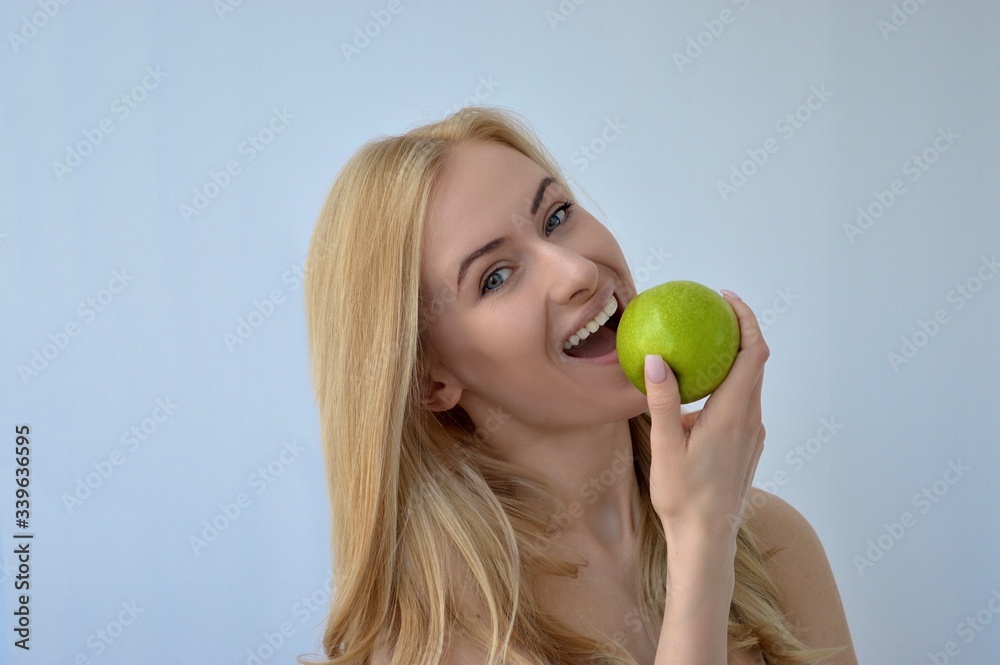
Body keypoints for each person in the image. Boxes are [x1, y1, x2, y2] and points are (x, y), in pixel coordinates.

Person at [301, 106, 858, 665]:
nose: (578, 272)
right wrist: (702, 549)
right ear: (430, 380)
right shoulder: (440, 644)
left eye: (557, 217)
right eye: (495, 277)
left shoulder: (773, 543)